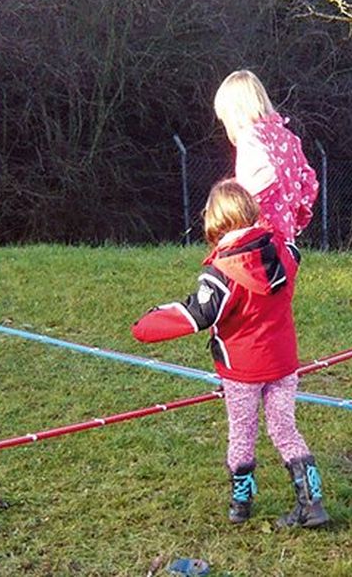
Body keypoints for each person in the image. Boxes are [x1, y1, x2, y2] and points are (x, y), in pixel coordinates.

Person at [131, 179, 329, 529]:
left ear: (216, 220)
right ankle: (312, 503)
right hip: (283, 362)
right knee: (285, 429)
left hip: (242, 368)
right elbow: (291, 247)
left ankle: (241, 504)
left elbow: (199, 314)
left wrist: (147, 324)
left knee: (242, 432)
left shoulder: (221, 272)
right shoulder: (286, 253)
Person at [214, 70, 319, 244]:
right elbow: (309, 181)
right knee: (281, 272)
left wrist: (240, 206)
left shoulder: (250, 138)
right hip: (286, 237)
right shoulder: (288, 137)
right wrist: (295, 218)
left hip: (259, 237)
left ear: (235, 113)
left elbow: (264, 175)